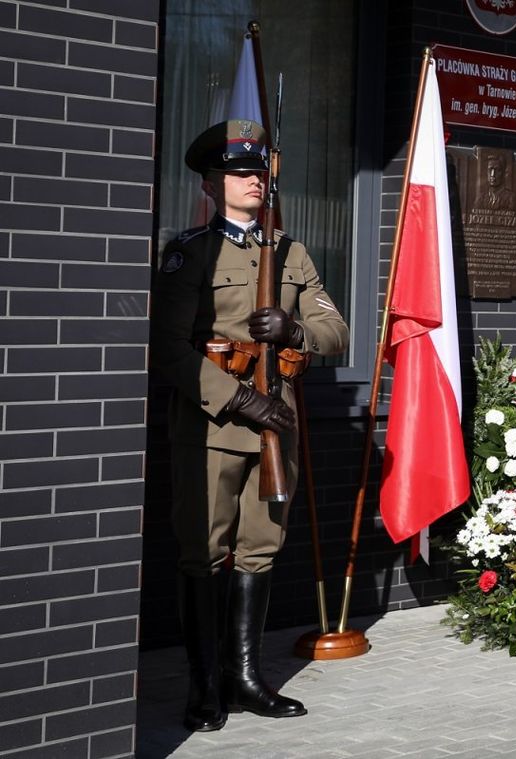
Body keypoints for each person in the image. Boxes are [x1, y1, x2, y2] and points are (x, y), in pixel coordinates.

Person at [150, 119, 349, 732]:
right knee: (204, 552)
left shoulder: (292, 252)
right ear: (212, 184)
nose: (254, 181)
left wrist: (295, 332)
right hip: (213, 424)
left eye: (259, 171)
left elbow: (336, 332)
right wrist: (240, 399)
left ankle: (245, 677)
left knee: (259, 551)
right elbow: (168, 348)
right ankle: (205, 685)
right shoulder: (191, 253)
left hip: (275, 427)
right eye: (240, 173)